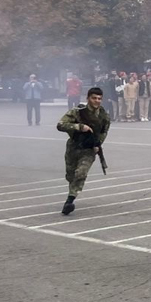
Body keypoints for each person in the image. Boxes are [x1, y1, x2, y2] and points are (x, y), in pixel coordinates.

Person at [56, 85, 110, 215]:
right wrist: (79, 127)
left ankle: (70, 200)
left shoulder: (104, 116)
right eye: (94, 98)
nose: (97, 101)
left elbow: (103, 132)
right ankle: (72, 191)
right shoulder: (77, 111)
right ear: (88, 98)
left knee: (81, 173)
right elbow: (60, 125)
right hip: (73, 147)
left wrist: (98, 144)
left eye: (99, 98)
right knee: (71, 175)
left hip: (89, 150)